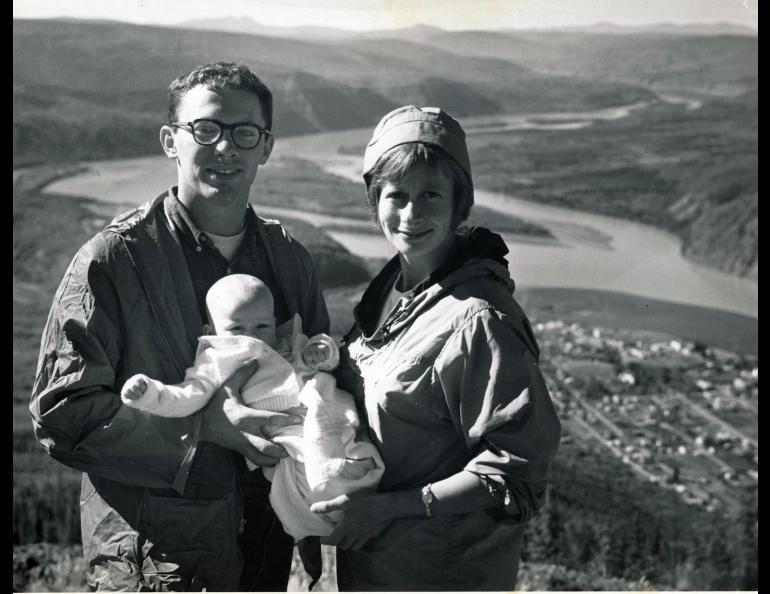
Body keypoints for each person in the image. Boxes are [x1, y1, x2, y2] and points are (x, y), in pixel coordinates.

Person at [29, 62, 329, 591]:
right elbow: (62, 413)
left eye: (244, 133)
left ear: (267, 146)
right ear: (171, 141)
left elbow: (318, 383)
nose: (225, 148)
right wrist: (200, 429)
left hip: (265, 552)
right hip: (155, 566)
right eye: (205, 129)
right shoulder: (114, 260)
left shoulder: (289, 260)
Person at [309, 105, 562, 590]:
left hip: (441, 571)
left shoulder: (478, 318)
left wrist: (387, 508)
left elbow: (517, 471)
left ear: (459, 203)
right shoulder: (392, 288)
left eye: (430, 194)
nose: (410, 213)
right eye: (396, 194)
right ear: (373, 199)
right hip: (376, 564)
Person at [121, 273, 384, 540]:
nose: (252, 337)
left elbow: (316, 362)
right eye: (236, 329)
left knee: (352, 454)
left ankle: (355, 493)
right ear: (210, 333)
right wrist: (151, 394)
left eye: (261, 327)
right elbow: (188, 396)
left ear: (273, 323)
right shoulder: (215, 359)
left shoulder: (283, 344)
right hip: (283, 438)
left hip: (320, 411)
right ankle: (326, 517)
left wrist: (320, 351)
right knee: (297, 490)